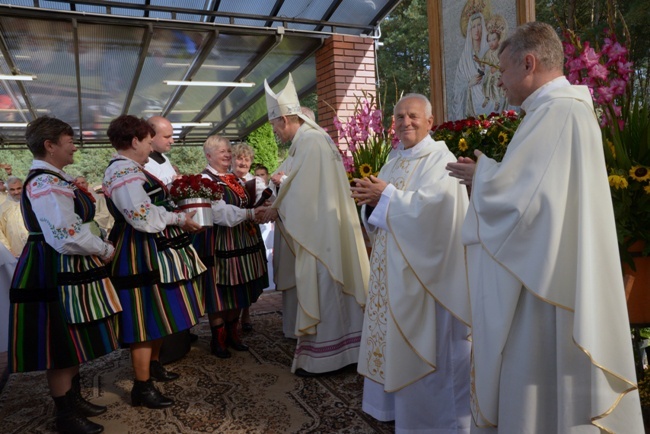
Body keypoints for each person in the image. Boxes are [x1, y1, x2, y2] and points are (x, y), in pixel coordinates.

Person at [446, 22, 643, 432]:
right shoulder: (562, 109)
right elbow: (537, 191)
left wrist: (481, 176)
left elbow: (523, 200)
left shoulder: (558, 112)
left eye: (502, 70)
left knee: (541, 374)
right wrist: (487, 175)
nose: (499, 81)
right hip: (548, 267)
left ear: (529, 63)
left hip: (546, 281)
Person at [351, 94, 471, 433]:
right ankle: (398, 415)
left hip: (427, 282)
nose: (406, 122)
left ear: (430, 121)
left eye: (413, 116)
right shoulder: (393, 159)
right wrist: (367, 201)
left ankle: (438, 425)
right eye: (400, 116)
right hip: (395, 277)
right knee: (395, 348)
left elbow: (438, 214)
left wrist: (384, 197)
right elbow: (380, 205)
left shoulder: (440, 160)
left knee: (432, 359)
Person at [9, 116, 121, 434]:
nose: (74, 145)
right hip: (50, 267)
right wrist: (104, 249)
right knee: (58, 343)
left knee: (71, 338)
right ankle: (65, 415)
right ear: (50, 145)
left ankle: (73, 399)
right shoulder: (45, 182)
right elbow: (65, 235)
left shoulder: (55, 178)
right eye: (68, 139)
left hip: (63, 264)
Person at [263, 74, 369, 377]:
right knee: (330, 293)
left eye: (274, 126)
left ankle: (328, 358)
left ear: (285, 119)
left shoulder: (310, 142)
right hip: (322, 230)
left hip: (320, 234)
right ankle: (344, 352)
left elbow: (304, 194)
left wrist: (275, 210)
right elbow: (300, 186)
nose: (274, 133)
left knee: (325, 290)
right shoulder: (310, 139)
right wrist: (276, 206)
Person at [103, 115, 205, 409]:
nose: (151, 149)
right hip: (139, 249)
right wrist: (178, 219)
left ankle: (154, 365)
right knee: (144, 315)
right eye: (148, 142)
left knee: (157, 311)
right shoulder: (123, 172)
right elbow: (142, 217)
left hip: (150, 245)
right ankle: (142, 386)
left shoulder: (132, 170)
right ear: (134, 141)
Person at [192, 135, 268, 358]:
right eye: (222, 152)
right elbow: (218, 213)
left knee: (239, 289)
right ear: (208, 155)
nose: (228, 155)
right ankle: (219, 340)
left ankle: (233, 335)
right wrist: (251, 213)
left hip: (242, 239)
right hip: (219, 242)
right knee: (220, 293)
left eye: (228, 151)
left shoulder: (234, 178)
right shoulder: (204, 180)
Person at [230, 143, 269, 332]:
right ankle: (232, 319)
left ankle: (246, 313)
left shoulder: (257, 182)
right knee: (237, 276)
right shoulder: (225, 180)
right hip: (231, 233)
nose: (243, 162)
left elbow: (266, 201)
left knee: (251, 274)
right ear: (232, 159)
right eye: (239, 158)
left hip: (251, 232)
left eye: (247, 159)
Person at [451, 12, 490, 120]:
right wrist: (469, 83)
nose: (476, 30)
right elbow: (456, 91)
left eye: (479, 25)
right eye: (473, 27)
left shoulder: (490, 52)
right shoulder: (464, 59)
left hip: (489, 103)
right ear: (469, 30)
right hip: (471, 109)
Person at [480, 15, 507, 111]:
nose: (491, 43)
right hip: (490, 73)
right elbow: (484, 59)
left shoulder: (500, 50)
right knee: (485, 83)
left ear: (499, 40)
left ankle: (497, 102)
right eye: (489, 40)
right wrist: (482, 66)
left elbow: (503, 61)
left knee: (494, 84)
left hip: (497, 73)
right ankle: (487, 97)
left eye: (494, 40)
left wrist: (497, 67)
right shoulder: (488, 52)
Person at [143, 116, 177, 186]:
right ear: (151, 136)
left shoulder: (164, 157)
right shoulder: (144, 164)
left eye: (171, 136)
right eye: (167, 137)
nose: (172, 141)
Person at [0, 176, 28, 257]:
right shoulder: (3, 209)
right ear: (8, 190)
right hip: (16, 253)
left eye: (19, 188)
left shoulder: (31, 203)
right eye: (12, 189)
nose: (16, 192)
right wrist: (8, 250)